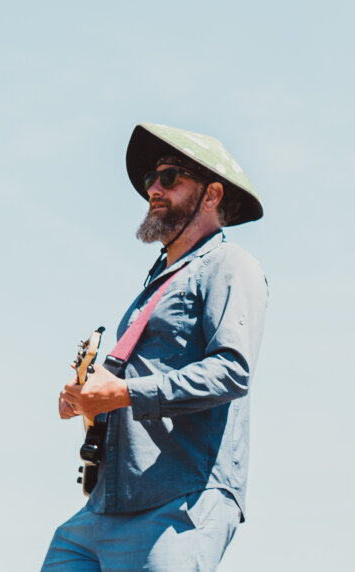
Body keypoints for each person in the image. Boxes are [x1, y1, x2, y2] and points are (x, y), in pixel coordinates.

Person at [42, 123, 269, 571]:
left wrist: (124, 393)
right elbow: (125, 382)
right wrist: (87, 398)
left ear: (212, 195)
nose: (154, 189)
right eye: (151, 179)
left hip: (179, 500)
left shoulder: (229, 263)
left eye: (171, 178)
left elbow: (232, 370)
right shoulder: (153, 286)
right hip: (105, 504)